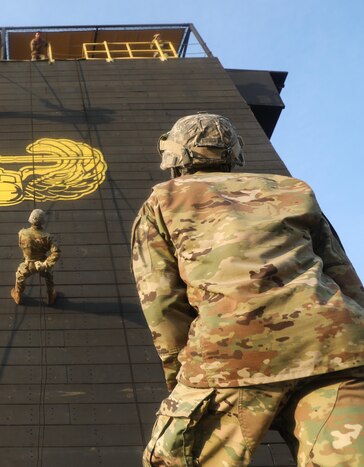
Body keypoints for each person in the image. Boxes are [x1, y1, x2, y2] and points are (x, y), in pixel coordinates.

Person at [131, 112, 364, 466]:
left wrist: (184, 379)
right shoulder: (294, 189)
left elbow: (161, 303)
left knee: (173, 459)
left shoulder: (163, 200)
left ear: (175, 157)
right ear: (234, 154)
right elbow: (344, 276)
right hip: (339, 347)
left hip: (232, 353)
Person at [11, 209, 60, 306]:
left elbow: (21, 245)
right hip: (42, 263)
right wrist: (45, 264)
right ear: (43, 221)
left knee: (20, 276)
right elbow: (56, 252)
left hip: (27, 264)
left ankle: (18, 295)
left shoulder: (22, 233)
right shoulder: (48, 237)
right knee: (49, 277)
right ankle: (50, 296)